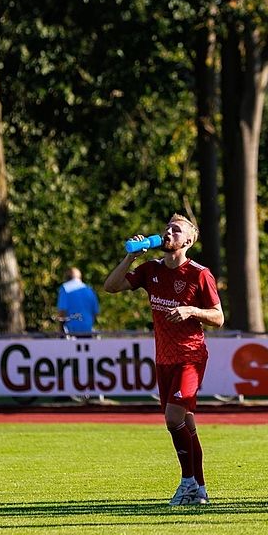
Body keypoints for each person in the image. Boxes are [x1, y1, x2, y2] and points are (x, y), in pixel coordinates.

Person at [103, 213, 224, 506]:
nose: (169, 232)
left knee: (173, 419)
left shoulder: (199, 273)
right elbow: (111, 286)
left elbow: (219, 317)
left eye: (176, 229)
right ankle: (200, 490)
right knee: (187, 424)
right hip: (164, 358)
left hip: (190, 356)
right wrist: (129, 257)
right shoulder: (150, 269)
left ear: (189, 241)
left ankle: (187, 482)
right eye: (167, 228)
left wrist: (191, 311)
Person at [56, 267, 100, 337]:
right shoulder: (89, 290)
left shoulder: (65, 288)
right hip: (87, 331)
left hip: (70, 332)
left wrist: (60, 331)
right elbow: (95, 313)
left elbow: (62, 312)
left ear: (66, 277)